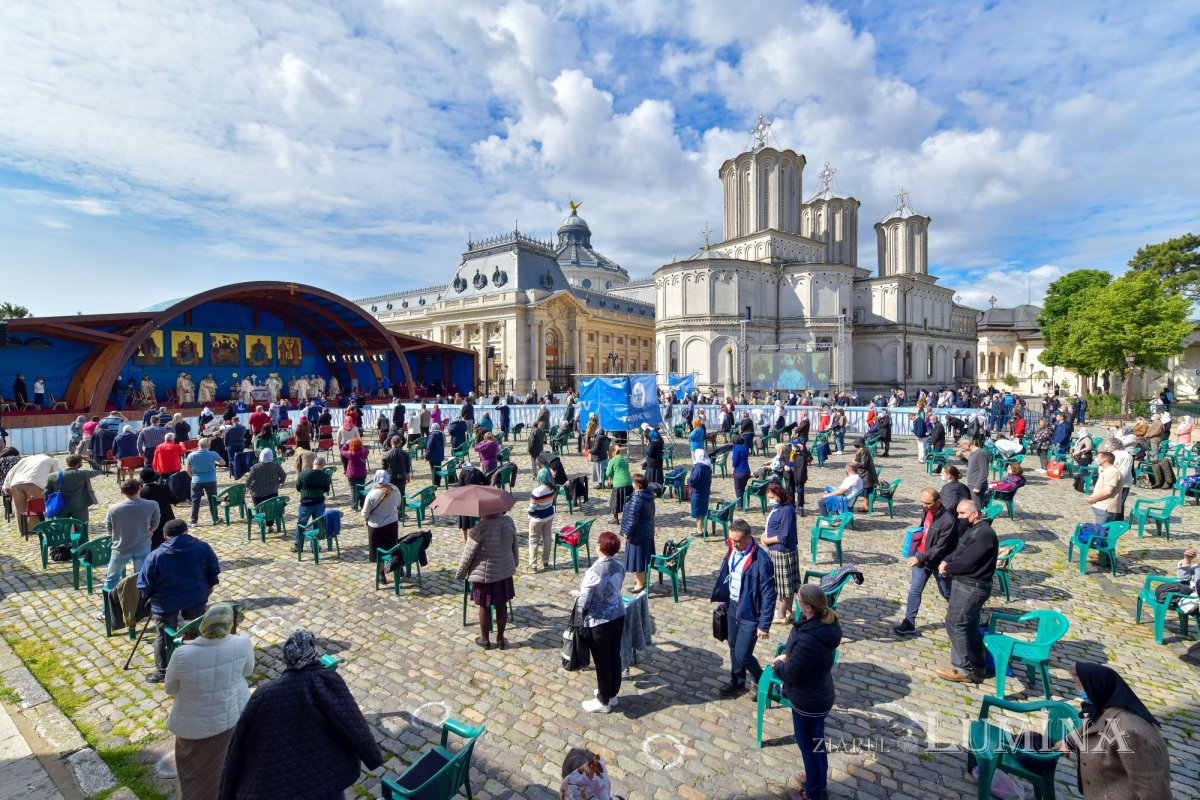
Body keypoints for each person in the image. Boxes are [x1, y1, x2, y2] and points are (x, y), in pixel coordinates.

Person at [218, 629, 382, 800]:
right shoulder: (326, 682)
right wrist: (372, 756)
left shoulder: (264, 694)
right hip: (326, 777)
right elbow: (352, 721)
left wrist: (227, 791)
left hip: (278, 784)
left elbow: (239, 744)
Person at [164, 602, 254, 800]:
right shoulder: (242, 644)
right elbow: (247, 671)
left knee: (191, 775)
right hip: (228, 718)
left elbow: (170, 689)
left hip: (192, 725)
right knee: (221, 768)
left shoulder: (182, 654)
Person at [772, 584, 842, 800]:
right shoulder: (824, 624)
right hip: (820, 694)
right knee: (817, 744)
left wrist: (778, 664)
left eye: (799, 599)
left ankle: (813, 794)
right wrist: (791, 657)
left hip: (808, 701)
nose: (797, 600)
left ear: (808, 607)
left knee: (810, 748)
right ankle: (816, 781)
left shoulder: (810, 638)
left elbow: (793, 673)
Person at [1063, 662, 1172, 799]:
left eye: (1079, 685)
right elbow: (1091, 725)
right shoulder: (1104, 707)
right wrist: (1069, 741)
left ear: (1097, 687)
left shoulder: (1131, 733)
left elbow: (1154, 792)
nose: (1077, 690)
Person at [138, 520, 221, 683]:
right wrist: (210, 585)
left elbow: (144, 584)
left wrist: (147, 597)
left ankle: (163, 671)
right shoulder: (202, 547)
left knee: (163, 634)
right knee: (197, 628)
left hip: (166, 602)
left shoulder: (155, 556)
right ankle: (201, 660)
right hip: (195, 596)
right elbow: (213, 569)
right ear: (186, 531)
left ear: (164, 536)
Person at [711, 518, 776, 698]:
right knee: (733, 646)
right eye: (731, 540)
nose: (734, 544)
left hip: (750, 612)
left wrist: (764, 624)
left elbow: (770, 594)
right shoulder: (732, 549)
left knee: (743, 654)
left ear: (749, 537)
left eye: (738, 541)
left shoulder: (762, 560)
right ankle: (737, 681)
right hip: (733, 606)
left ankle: (760, 678)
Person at [936, 500, 998, 683]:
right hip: (965, 583)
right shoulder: (974, 530)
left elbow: (968, 561)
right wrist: (947, 560)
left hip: (972, 586)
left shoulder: (985, 534)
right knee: (969, 625)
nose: (959, 517)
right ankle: (978, 665)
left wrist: (949, 568)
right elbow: (959, 551)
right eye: (958, 513)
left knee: (955, 623)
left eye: (962, 514)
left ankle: (963, 669)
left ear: (975, 514)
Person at [570, 530, 627, 714]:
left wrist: (576, 596)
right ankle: (611, 693)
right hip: (618, 614)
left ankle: (603, 701)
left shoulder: (594, 571)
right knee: (614, 655)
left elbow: (585, 601)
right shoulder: (619, 566)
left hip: (600, 621)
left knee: (602, 660)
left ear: (600, 547)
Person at [894, 487, 957, 636]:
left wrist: (919, 557)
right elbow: (924, 529)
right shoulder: (926, 511)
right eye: (922, 502)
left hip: (938, 562)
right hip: (921, 558)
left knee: (947, 593)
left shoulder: (948, 521)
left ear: (938, 501)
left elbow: (940, 547)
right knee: (915, 590)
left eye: (928, 503)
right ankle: (909, 622)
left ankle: (963, 615)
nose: (924, 506)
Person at [455, 510, 519, 650]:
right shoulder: (509, 522)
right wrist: (515, 562)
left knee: (484, 605)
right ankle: (501, 638)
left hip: (485, 575)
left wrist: (460, 575)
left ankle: (484, 639)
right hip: (505, 572)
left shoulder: (479, 528)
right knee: (502, 604)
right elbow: (515, 545)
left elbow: (467, 555)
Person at [103, 479, 161, 591]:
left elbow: (110, 531)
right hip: (142, 546)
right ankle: (139, 603)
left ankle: (109, 605)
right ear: (140, 488)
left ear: (122, 492)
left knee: (112, 579)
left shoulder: (113, 509)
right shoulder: (152, 505)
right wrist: (147, 532)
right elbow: (155, 525)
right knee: (141, 578)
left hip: (120, 548)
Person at [761, 484, 799, 624]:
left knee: (783, 587)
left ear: (779, 495)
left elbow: (784, 536)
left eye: (772, 497)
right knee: (786, 585)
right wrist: (765, 533)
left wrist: (766, 540)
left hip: (782, 553)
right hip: (777, 551)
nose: (770, 500)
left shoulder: (786, 511)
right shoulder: (779, 508)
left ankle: (781, 614)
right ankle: (788, 611)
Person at [3, 452, 59, 537]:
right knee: (36, 508)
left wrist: (6, 486)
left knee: (20, 509)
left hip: (16, 483)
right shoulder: (51, 460)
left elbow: (11, 471)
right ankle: (33, 529)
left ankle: (23, 530)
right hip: (35, 482)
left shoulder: (25, 459)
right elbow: (56, 475)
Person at [45, 453, 104, 526]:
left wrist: (48, 507)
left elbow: (47, 493)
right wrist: (89, 460)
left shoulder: (52, 476)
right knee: (81, 528)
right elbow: (99, 470)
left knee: (62, 528)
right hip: (79, 506)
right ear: (79, 463)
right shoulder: (83, 474)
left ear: (67, 463)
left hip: (60, 506)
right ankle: (81, 537)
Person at [620, 473, 655, 593]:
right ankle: (642, 581)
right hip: (647, 532)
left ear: (638, 485)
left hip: (638, 535)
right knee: (643, 559)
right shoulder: (649, 495)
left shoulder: (637, 499)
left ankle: (640, 585)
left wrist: (627, 533)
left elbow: (632, 519)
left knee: (638, 561)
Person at [362, 470, 402, 569]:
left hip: (376, 526)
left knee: (378, 552)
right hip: (392, 523)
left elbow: (364, 513)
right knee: (392, 547)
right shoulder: (395, 490)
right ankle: (396, 567)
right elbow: (398, 504)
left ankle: (381, 574)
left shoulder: (372, 494)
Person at [185, 438, 224, 527]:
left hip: (196, 480)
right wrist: (215, 462)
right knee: (212, 500)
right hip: (210, 480)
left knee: (195, 501)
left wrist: (193, 477)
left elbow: (188, 470)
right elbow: (223, 462)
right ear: (209, 445)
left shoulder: (191, 455)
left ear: (198, 445)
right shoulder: (213, 454)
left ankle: (193, 520)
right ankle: (215, 518)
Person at [294, 456, 332, 547]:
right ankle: (314, 545)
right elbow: (326, 489)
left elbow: (298, 487)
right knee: (317, 525)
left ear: (314, 464)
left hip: (305, 504)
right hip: (319, 503)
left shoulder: (303, 474)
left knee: (301, 524)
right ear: (322, 465)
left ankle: (298, 545)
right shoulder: (325, 476)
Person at [245, 449, 286, 532]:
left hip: (258, 494)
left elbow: (248, 480)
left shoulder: (255, 467)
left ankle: (262, 526)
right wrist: (280, 483)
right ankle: (270, 526)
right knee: (271, 509)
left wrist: (248, 487)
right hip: (273, 492)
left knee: (259, 509)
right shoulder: (276, 466)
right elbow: (283, 475)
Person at [138, 469, 175, 549]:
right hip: (167, 517)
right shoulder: (164, 488)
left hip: (151, 520)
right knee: (169, 542)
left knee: (154, 543)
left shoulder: (141, 492)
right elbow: (174, 500)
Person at [1085, 450, 1122, 527]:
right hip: (1101, 506)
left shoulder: (1112, 471)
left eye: (1098, 457)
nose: (1096, 459)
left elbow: (1108, 492)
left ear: (1105, 460)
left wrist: (1094, 499)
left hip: (1105, 507)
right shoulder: (1107, 471)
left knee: (1101, 531)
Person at [527, 478, 556, 574]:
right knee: (547, 539)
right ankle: (546, 561)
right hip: (549, 516)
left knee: (533, 541)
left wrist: (529, 512)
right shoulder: (552, 488)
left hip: (537, 518)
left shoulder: (537, 491)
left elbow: (532, 508)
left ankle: (533, 565)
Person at [688, 448, 712, 538]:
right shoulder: (708, 465)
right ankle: (701, 529)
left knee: (699, 512)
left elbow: (694, 480)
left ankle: (700, 531)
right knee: (702, 511)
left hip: (698, 492)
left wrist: (688, 480)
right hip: (705, 491)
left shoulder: (699, 467)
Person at [605, 444, 633, 524]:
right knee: (628, 501)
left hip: (618, 484)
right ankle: (628, 517)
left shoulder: (612, 461)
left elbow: (608, 473)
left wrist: (611, 476)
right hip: (628, 482)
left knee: (615, 501)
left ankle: (615, 519)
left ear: (612, 452)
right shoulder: (624, 459)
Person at [960, 437, 991, 506]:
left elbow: (984, 471)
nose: (961, 447)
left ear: (967, 444)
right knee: (972, 506)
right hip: (972, 483)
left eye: (961, 445)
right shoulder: (973, 453)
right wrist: (962, 458)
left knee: (976, 507)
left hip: (976, 485)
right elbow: (972, 465)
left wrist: (978, 486)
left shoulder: (980, 453)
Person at [731, 435, 751, 510]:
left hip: (739, 471)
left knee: (738, 489)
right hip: (746, 471)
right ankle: (741, 502)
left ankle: (740, 505)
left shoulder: (736, 449)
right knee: (742, 488)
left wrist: (733, 468)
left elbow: (735, 460)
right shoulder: (745, 448)